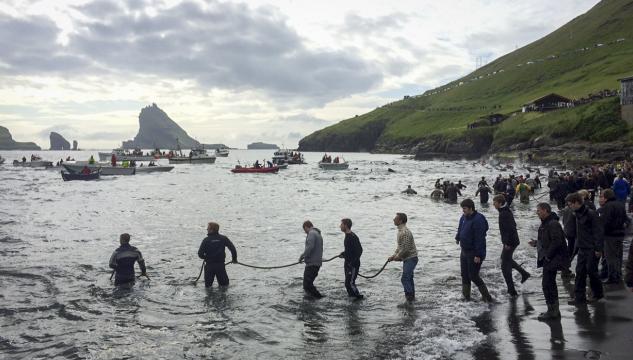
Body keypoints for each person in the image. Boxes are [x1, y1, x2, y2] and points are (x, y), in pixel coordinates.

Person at [529, 203, 568, 320]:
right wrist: (537, 243)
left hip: (553, 258)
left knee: (547, 284)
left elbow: (557, 241)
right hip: (549, 258)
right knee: (548, 284)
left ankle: (553, 311)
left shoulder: (553, 224)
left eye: (539, 210)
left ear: (546, 211)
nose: (537, 213)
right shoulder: (546, 223)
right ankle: (553, 310)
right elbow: (547, 239)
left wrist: (547, 256)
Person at [566, 192, 604, 305]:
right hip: (582, 247)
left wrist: (598, 249)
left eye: (570, 204)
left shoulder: (591, 214)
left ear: (577, 203)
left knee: (592, 272)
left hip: (592, 248)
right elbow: (577, 233)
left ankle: (598, 294)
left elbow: (598, 232)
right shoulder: (576, 214)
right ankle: (579, 297)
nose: (569, 206)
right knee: (580, 272)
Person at [455, 199, 492, 302]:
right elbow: (460, 228)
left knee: (473, 276)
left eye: (465, 209)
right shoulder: (464, 217)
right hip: (464, 250)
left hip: (474, 252)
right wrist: (458, 237)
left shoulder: (478, 219)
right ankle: (466, 297)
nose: (463, 211)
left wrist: (478, 255)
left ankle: (487, 297)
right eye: (462, 209)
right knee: (464, 275)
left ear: (471, 208)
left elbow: (480, 238)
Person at [493, 195, 530, 296]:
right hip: (512, 241)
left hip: (511, 242)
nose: (493, 204)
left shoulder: (504, 213)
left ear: (500, 203)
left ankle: (512, 290)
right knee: (506, 260)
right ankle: (524, 274)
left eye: (495, 202)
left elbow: (510, 228)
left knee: (505, 266)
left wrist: (507, 243)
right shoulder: (505, 211)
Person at [388, 213, 418, 302]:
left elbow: (405, 249)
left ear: (400, 221)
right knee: (409, 278)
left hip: (411, 258)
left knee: (405, 278)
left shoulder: (404, 232)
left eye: (395, 218)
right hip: (409, 258)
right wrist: (393, 256)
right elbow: (400, 247)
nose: (393, 219)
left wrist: (397, 257)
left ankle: (409, 299)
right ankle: (411, 298)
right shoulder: (401, 231)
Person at [599, 189, 627, 284]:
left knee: (610, 257)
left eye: (602, 196)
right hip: (620, 234)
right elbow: (626, 219)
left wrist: (602, 232)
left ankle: (612, 277)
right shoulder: (620, 204)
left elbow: (606, 222)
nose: (600, 198)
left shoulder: (607, 206)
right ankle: (618, 275)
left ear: (606, 197)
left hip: (610, 235)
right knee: (618, 256)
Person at [197, 222, 237, 287]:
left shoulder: (206, 240)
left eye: (208, 228)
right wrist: (234, 259)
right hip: (220, 266)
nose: (207, 229)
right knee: (224, 286)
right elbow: (233, 249)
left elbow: (200, 254)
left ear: (212, 229)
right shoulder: (223, 238)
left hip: (209, 266)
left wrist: (207, 258)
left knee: (208, 287)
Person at [338, 218, 364, 299]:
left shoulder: (353, 237)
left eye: (341, 224)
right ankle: (352, 298)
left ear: (346, 225)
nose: (340, 226)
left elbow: (359, 250)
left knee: (350, 283)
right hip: (348, 263)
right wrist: (344, 254)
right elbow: (350, 250)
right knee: (347, 283)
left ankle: (358, 298)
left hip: (353, 265)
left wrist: (352, 263)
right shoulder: (347, 236)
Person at [299, 221, 324, 298]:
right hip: (316, 263)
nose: (305, 232)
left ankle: (318, 298)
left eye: (305, 230)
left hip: (312, 264)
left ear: (306, 227)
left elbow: (310, 247)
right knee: (308, 284)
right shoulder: (318, 234)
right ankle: (313, 299)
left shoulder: (311, 233)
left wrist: (302, 256)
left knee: (307, 285)